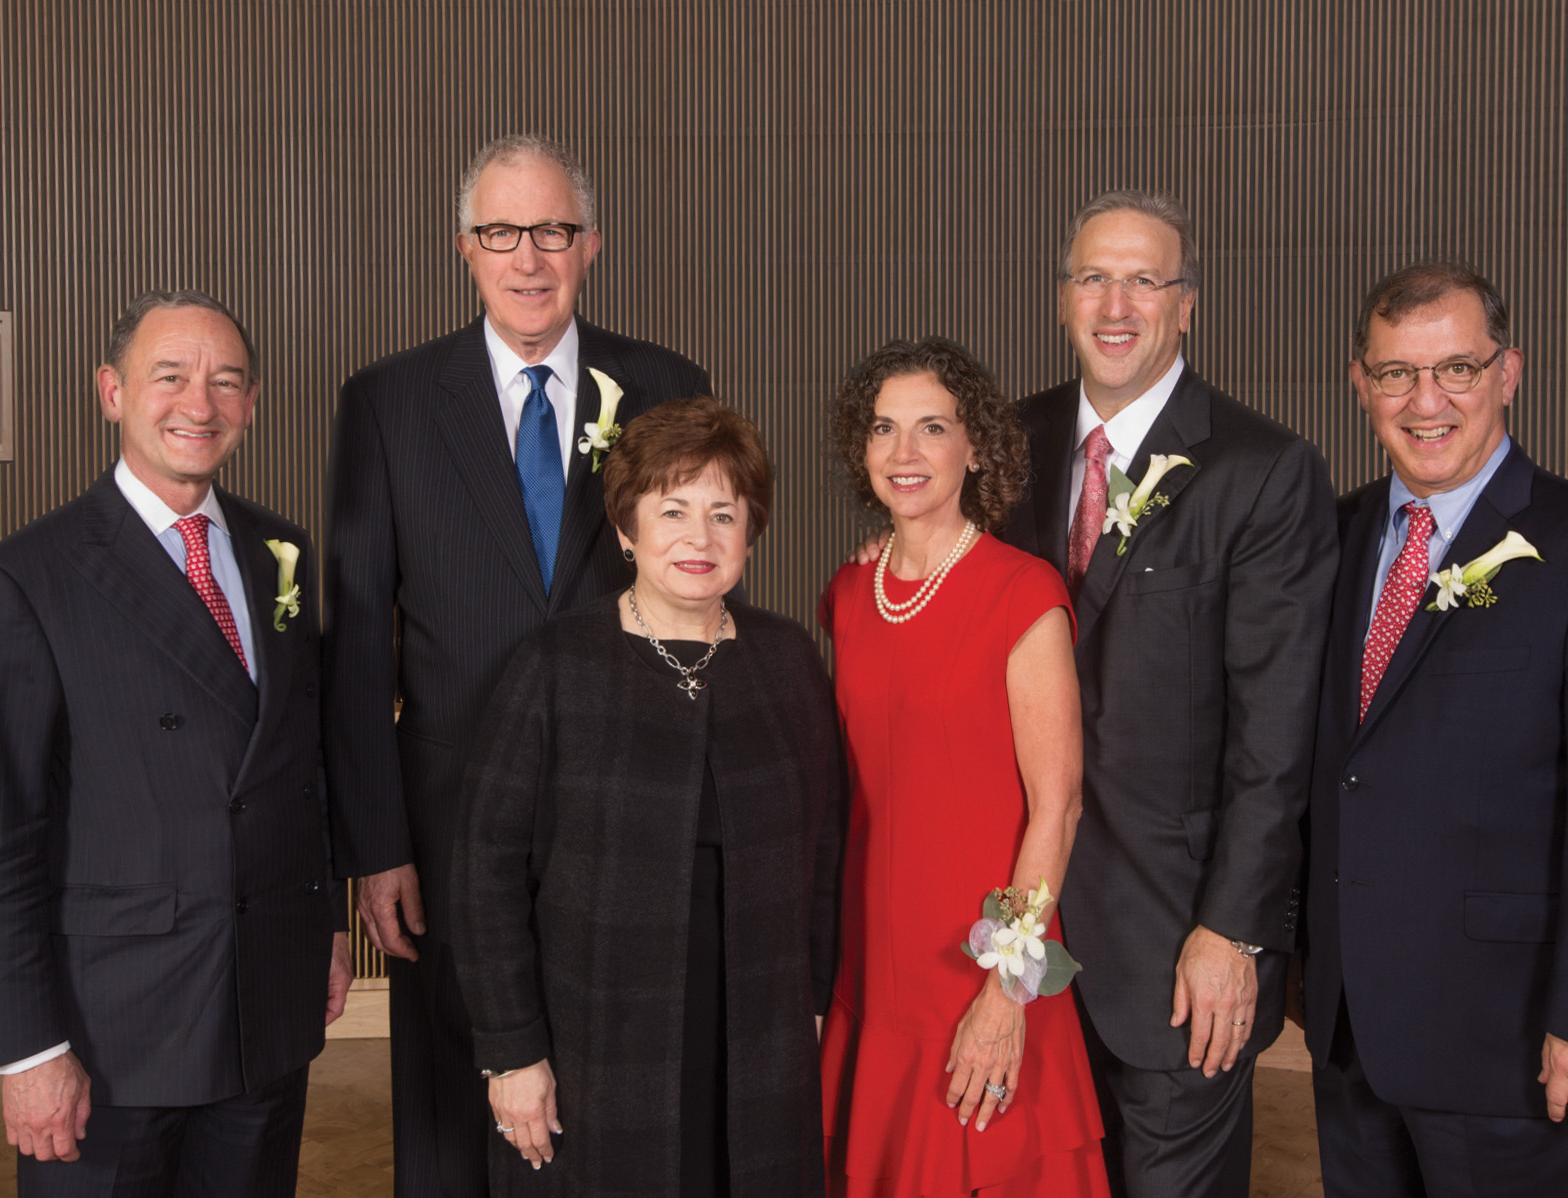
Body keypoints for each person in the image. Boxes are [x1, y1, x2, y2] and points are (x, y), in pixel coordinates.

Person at [323, 134, 710, 1193]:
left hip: (628, 816)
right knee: (456, 1118)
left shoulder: (668, 385)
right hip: (446, 820)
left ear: (590, 245)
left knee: (616, 1100)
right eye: (502, 233)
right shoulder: (388, 402)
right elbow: (357, 640)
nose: (528, 257)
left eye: (552, 231)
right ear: (465, 248)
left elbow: (708, 591)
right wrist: (376, 843)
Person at [1300, 260, 1568, 1197]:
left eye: (1457, 369)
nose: (1426, 400)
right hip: (1355, 1039)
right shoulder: (1335, 538)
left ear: (1508, 373)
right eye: (1397, 373)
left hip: (1520, 1047)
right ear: (1361, 384)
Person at [0, 290, 352, 1196]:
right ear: (111, 392)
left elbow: (300, 763)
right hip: (110, 1038)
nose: (197, 404)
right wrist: (28, 1047)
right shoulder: (23, 578)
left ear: (250, 404)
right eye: (169, 377)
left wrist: (325, 921)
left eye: (225, 382)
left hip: (265, 1011)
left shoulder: (280, 552)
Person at [999, 190, 1337, 1197]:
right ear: (1063, 299)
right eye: (1094, 277)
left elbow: (1276, 735)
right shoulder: (1003, 447)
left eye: (1144, 279)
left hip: (1176, 945)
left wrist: (1234, 930)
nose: (1117, 303)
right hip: (1021, 934)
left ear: (1186, 303)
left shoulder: (1265, 469)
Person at [450, 397, 841, 1195]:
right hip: (595, 1040)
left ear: (751, 532)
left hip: (758, 1035)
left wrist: (815, 1000)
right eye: (673, 511)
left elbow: (826, 847)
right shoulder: (557, 664)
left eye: (724, 514)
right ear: (627, 530)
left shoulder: (788, 658)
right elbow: (483, 872)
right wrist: (512, 1050)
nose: (699, 539)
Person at [819, 337, 1109, 1196]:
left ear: (975, 446)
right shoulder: (846, 593)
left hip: (980, 965)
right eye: (884, 429)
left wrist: (1006, 993)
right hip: (876, 957)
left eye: (932, 428)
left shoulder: (1023, 594)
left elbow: (1057, 809)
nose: (904, 454)